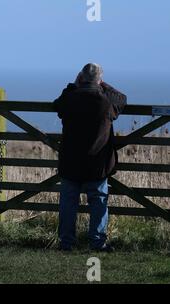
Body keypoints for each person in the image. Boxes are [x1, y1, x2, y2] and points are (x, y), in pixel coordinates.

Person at [53, 63, 127, 252]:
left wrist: (74, 85)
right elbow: (122, 98)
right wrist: (103, 84)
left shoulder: (70, 98)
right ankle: (97, 242)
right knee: (98, 201)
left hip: (71, 161)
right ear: (99, 80)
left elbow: (58, 104)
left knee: (68, 203)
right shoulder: (106, 102)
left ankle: (66, 242)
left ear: (80, 78)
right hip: (97, 163)